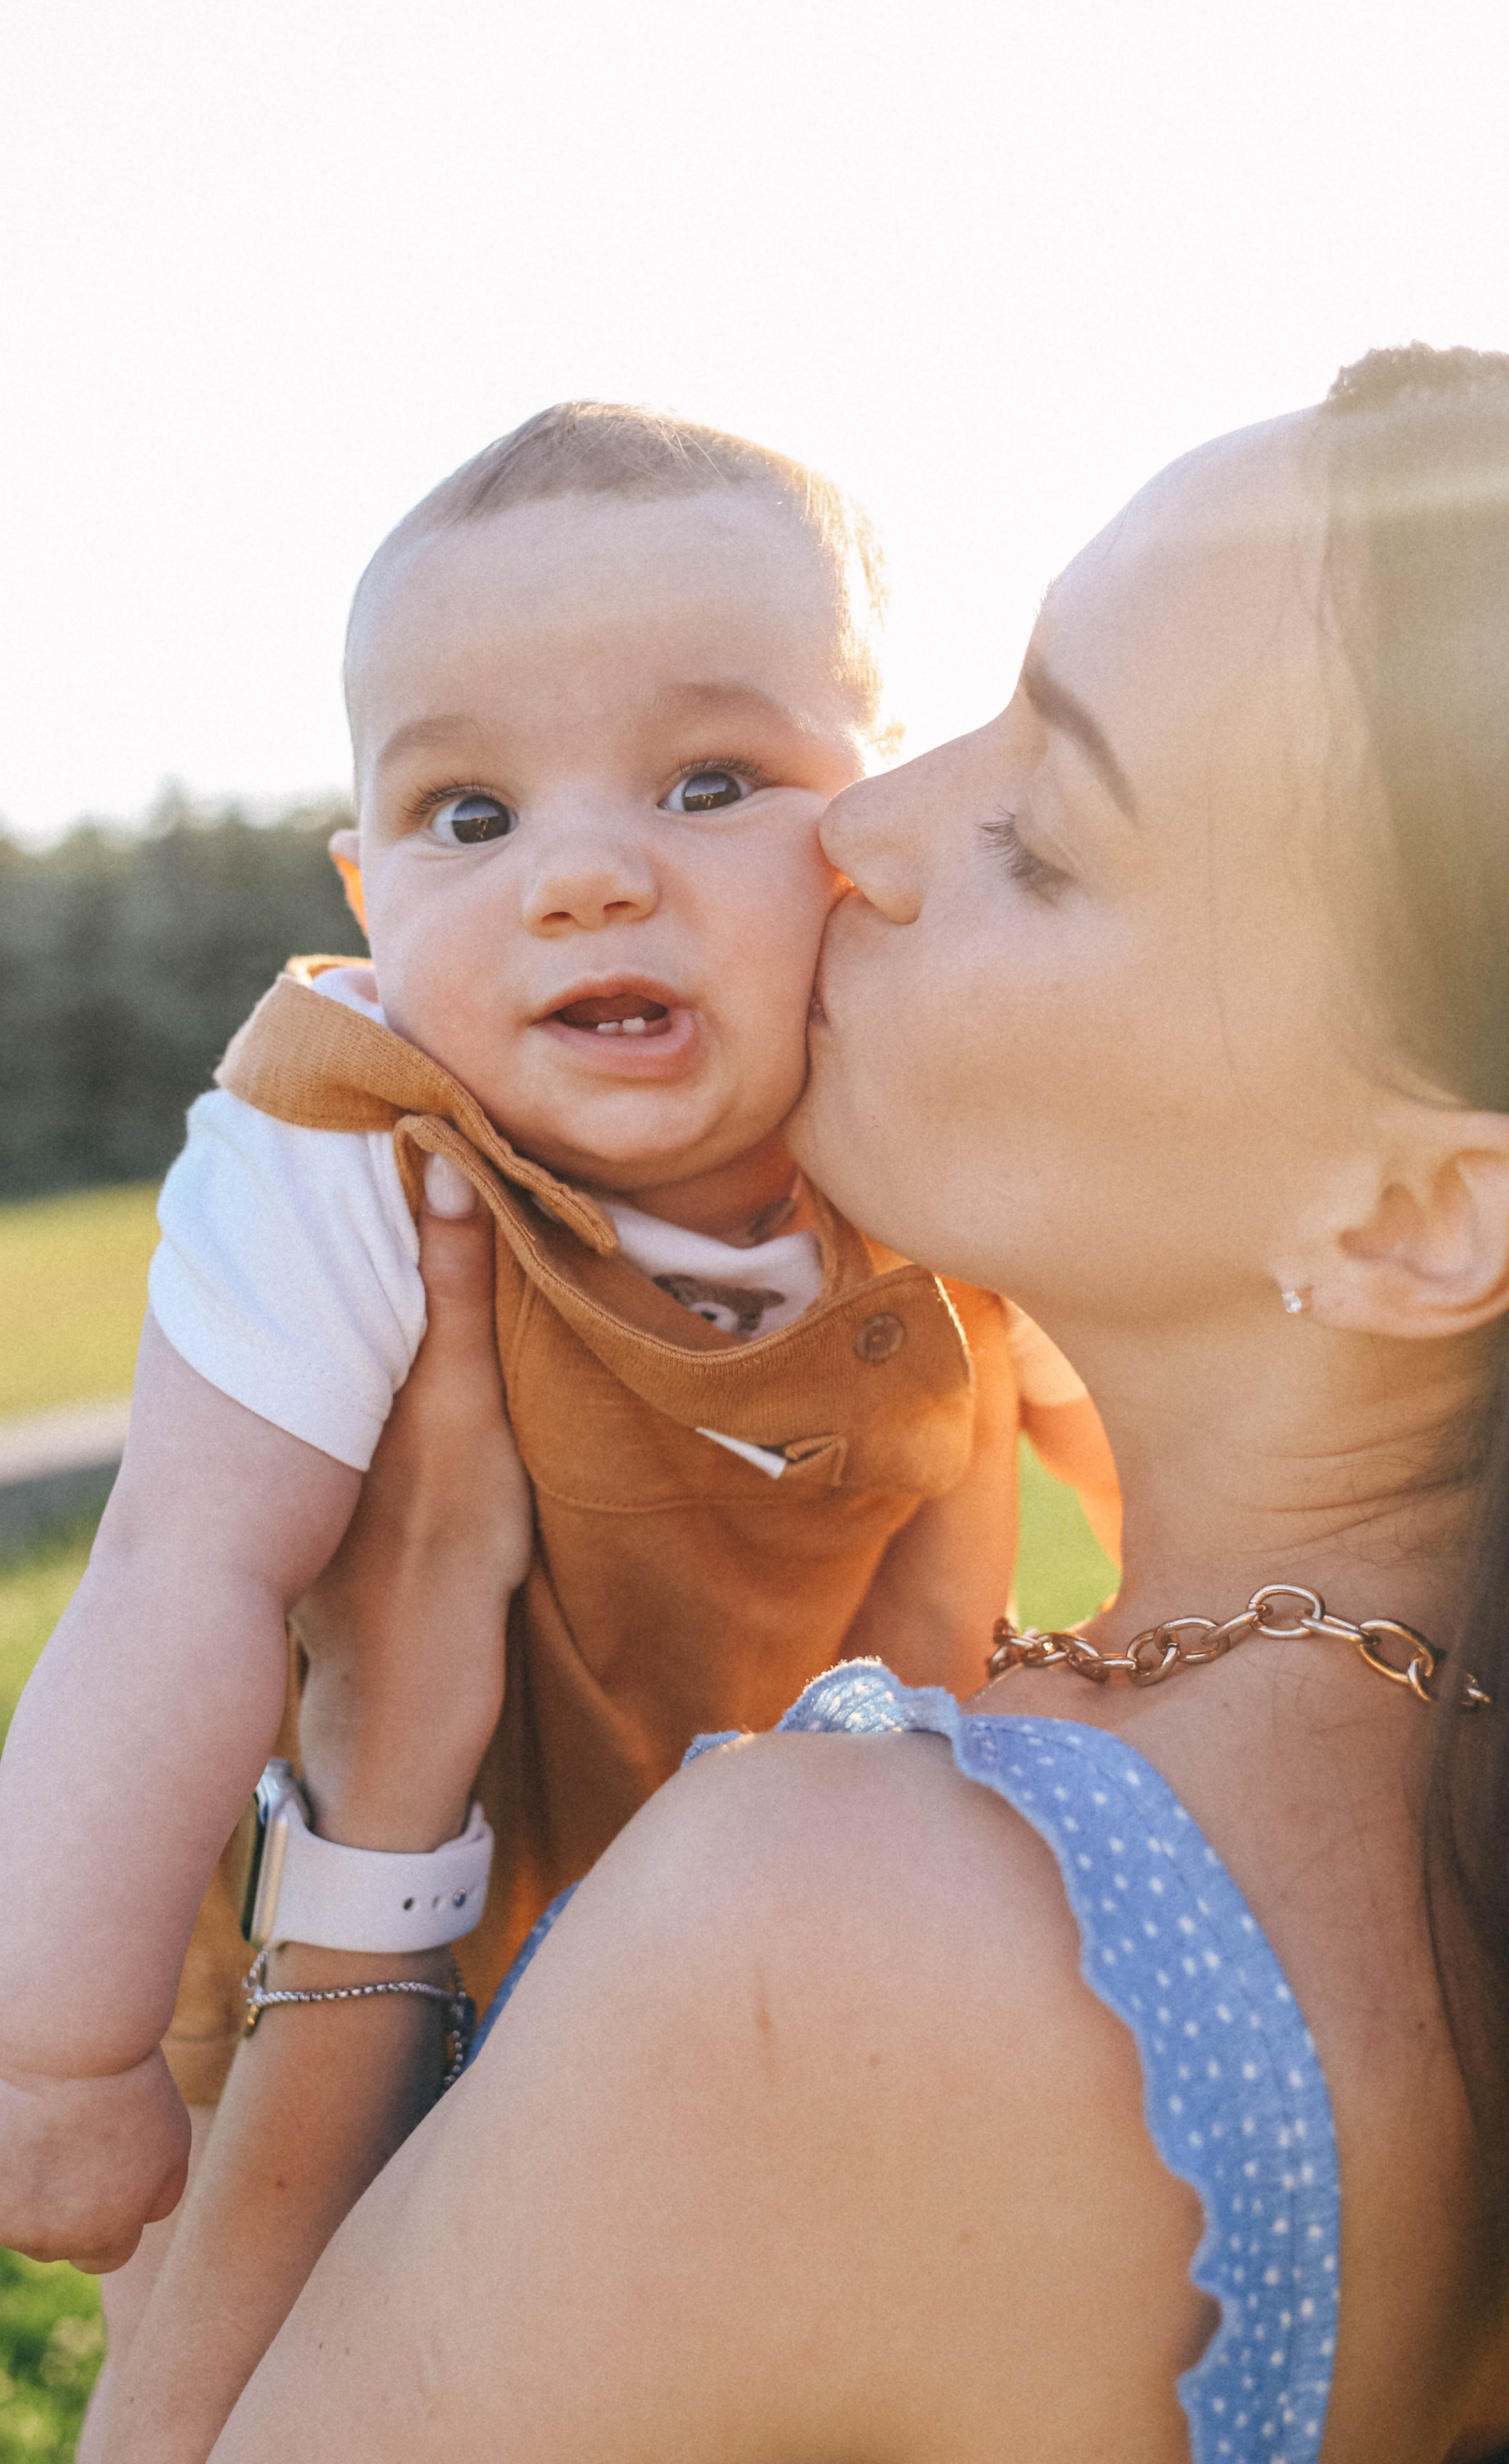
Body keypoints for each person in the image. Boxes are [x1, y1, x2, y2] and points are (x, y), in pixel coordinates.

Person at [96, 343, 1509, 2463]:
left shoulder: (841, 1939)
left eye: (1042, 830)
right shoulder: (1434, 1834)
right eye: (983, 711)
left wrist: (381, 1799)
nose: (863, 825)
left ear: (1409, 1216)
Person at [0, 403, 1117, 2284]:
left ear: (882, 823)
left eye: (709, 782)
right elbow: (180, 1570)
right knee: (276, 2362)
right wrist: (50, 2054)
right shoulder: (359, 1138)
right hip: (374, 1943)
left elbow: (1142, 1455)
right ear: (371, 900)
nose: (582, 876)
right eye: (470, 816)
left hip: (773, 1942)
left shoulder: (927, 1114)